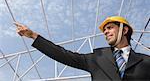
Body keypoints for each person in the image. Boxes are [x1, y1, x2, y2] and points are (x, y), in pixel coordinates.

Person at [15, 16, 150, 81]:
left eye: (110, 28)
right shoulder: (97, 58)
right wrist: (33, 35)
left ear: (124, 30)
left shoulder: (146, 61)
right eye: (104, 30)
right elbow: (63, 55)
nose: (106, 32)